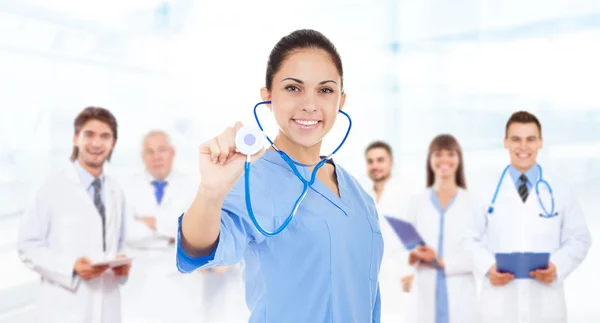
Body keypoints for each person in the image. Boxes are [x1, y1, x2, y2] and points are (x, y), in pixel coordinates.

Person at [176, 29, 383, 323]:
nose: (310, 104)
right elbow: (198, 247)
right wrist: (211, 191)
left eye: (325, 90)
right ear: (268, 96)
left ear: (341, 100)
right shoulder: (253, 178)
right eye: (293, 88)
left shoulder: (358, 194)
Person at [464, 111, 592, 323]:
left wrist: (557, 265)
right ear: (505, 142)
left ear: (540, 142)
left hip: (546, 307)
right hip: (497, 307)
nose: (523, 147)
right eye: (516, 139)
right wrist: (487, 267)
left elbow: (580, 238)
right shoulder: (484, 190)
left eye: (530, 139)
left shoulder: (560, 189)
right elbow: (466, 237)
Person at [17, 106, 131, 323]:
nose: (96, 143)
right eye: (89, 135)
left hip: (108, 305)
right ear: (75, 138)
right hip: (65, 307)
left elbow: (121, 244)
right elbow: (28, 246)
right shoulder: (49, 187)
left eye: (105, 136)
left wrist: (123, 265)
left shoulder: (116, 191)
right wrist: (71, 267)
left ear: (113, 143)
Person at [120, 130, 211, 323]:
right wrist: (174, 230)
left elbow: (196, 231)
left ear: (172, 153)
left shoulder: (192, 186)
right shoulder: (126, 187)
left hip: (181, 281)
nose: (157, 157)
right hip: (139, 279)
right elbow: (128, 232)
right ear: (143, 157)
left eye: (162, 150)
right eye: (150, 152)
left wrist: (154, 223)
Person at [402, 134, 478, 323]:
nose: (444, 159)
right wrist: (412, 257)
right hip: (424, 296)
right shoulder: (416, 202)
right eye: (438, 154)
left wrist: (442, 262)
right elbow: (401, 250)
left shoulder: (474, 204)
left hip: (461, 297)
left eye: (450, 154)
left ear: (459, 159)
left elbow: (481, 255)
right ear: (430, 160)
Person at [364, 140, 415, 322]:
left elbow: (414, 237)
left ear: (391, 163)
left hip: (399, 274)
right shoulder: (363, 196)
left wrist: (413, 272)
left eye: (380, 160)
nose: (375, 165)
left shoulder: (404, 194)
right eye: (370, 161)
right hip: (373, 276)